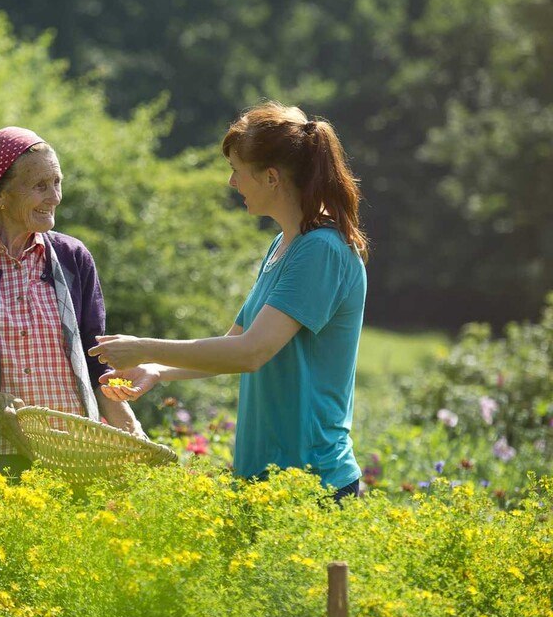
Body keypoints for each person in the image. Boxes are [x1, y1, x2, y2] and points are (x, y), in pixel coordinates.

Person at [89, 102, 368, 503]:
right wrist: (157, 369)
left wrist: (143, 346)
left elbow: (251, 353)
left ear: (271, 178)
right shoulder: (285, 245)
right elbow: (232, 342)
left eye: (238, 170)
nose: (232, 183)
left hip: (311, 484)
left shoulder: (321, 250)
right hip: (266, 479)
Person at [0, 126, 142, 476]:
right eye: (39, 186)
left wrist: (130, 429)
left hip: (77, 456)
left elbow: (98, 363)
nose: (55, 197)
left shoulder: (72, 256)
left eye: (57, 182)